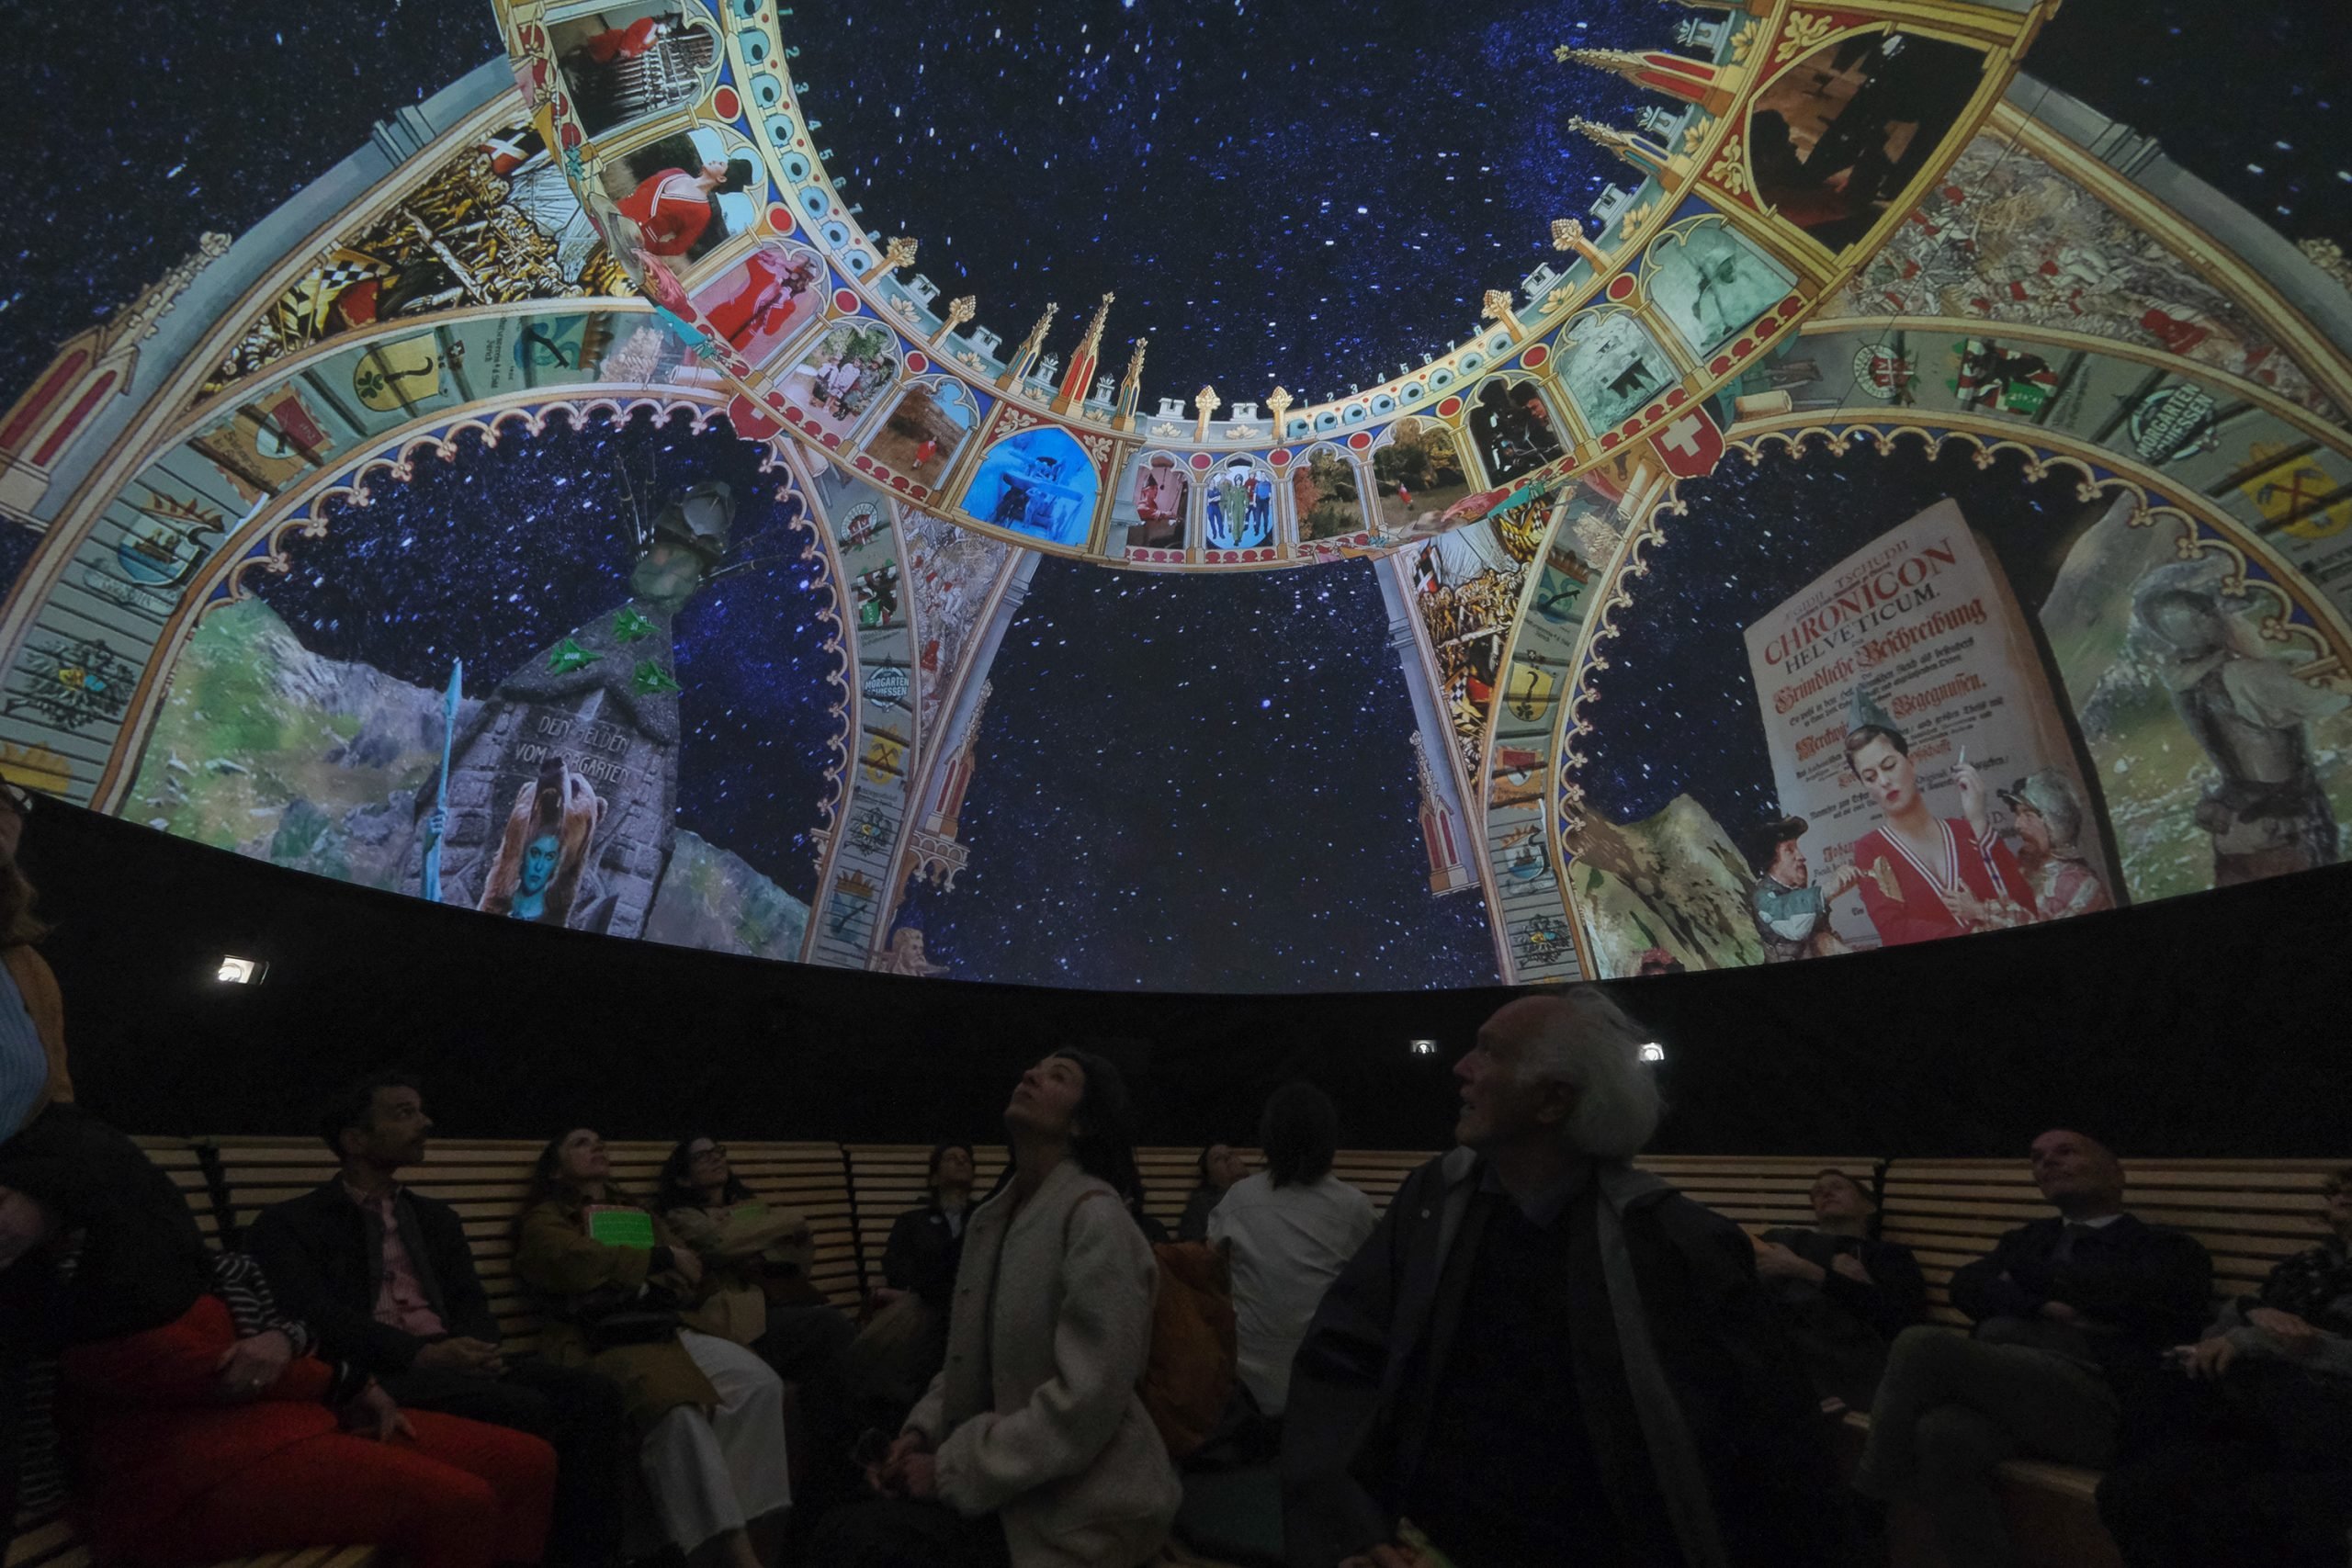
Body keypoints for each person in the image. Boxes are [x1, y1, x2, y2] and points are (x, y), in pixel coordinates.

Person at [1282, 990, 1840, 1568]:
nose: (1460, 1067)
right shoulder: (1430, 1205)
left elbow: (1776, 1459)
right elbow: (1342, 1359)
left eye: (1488, 1053)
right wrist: (1353, 1527)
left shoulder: (1676, 1247)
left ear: (1553, 1101)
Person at [0, 1129, 553, 1568]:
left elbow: (294, 1328)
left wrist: (298, 1351)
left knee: (528, 1459)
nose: (426, 1123)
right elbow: (199, 1369)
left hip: (292, 1420)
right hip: (191, 1467)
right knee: (460, 1500)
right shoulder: (68, 1287)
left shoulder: (185, 1265)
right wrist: (350, 1378)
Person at [245, 1073, 628, 1568]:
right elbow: (314, 1315)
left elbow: (468, 1298)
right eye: (403, 1113)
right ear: (355, 1140)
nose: (425, 1123)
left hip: (450, 1358)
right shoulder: (291, 1223)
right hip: (379, 1372)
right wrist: (419, 1353)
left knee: (596, 1395)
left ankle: (586, 1558)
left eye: (421, 1111)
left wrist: (478, 1348)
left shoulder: (434, 1218)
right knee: (525, 1408)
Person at [816, 1052, 1181, 1568]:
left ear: (1083, 1122)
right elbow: (968, 1362)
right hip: (1011, 1486)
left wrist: (948, 1470)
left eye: (1059, 1077)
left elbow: (1087, 1401)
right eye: (1035, 1068)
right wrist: (920, 1432)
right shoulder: (999, 1219)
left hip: (1081, 1511)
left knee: (858, 1542)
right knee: (839, 1512)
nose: (1031, 1075)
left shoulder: (1096, 1221)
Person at [1853, 1129, 2213, 1568]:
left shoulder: (2164, 1247)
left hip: (2104, 1405)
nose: (2048, 1162)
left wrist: (2022, 1281)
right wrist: (2049, 1305)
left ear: (2117, 1173)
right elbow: (1966, 1286)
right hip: (2021, 1395)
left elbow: (2137, 1299)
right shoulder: (2029, 1239)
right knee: (1942, 1432)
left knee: (1921, 1343)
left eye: (2066, 1152)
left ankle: (1867, 1502)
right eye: (2038, 1157)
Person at [514, 1128, 793, 1568]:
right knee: (678, 1409)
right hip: (596, 1337)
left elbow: (688, 1266)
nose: (597, 1147)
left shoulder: (633, 1210)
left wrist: (640, 1279)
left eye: (601, 1141)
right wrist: (652, 1263)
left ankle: (759, 1532)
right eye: (581, 1144)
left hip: (663, 1322)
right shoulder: (547, 1217)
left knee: (758, 1385)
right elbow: (568, 1260)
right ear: (555, 1168)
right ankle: (729, 1556)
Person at [2095, 1167, 2352, 1567]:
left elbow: (2267, 1340)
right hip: (2263, 1417)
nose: (2345, 1192)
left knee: (2255, 1506)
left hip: (2326, 1424)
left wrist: (2257, 1339)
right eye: (2341, 1186)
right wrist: (2252, 1312)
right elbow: (2225, 1329)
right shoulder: (2308, 1266)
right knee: (2129, 1492)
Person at [656, 1134, 859, 1506]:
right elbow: (718, 1246)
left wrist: (750, 1236)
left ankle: (830, 1477)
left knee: (826, 1362)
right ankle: (842, 1470)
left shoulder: (752, 1208)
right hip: (737, 1324)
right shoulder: (680, 1217)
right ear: (684, 1179)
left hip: (778, 1305)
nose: (715, 1159)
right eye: (702, 1157)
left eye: (718, 1152)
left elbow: (796, 1257)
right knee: (829, 1329)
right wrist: (778, 1225)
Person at [2132, 565, 2346, 885]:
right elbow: (2337, 687)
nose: (2235, 615)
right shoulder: (2245, 678)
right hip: (2284, 831)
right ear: (2207, 622)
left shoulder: (2183, 682)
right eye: (2221, 611)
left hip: (2241, 831)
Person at [1209, 1084, 1375, 1425]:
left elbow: (1211, 1275)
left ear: (1268, 1138)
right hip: (1322, 1390)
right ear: (1329, 1140)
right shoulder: (1352, 1208)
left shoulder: (1239, 1199)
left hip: (1245, 1391)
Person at [1841, 688, 2036, 948]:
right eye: (1870, 777)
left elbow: (2024, 903)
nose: (1884, 781)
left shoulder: (1967, 831)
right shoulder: (1871, 850)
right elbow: (1896, 933)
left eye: (1889, 765)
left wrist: (1978, 820)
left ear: (1912, 763)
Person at [1753, 1168, 1927, 1412]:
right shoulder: (1793, 1243)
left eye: (1837, 1187)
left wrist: (1809, 1271)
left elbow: (1901, 1319)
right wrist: (1822, 1259)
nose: (1826, 1193)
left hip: (1852, 1360)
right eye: (1818, 1192)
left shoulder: (1888, 1255)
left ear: (1869, 1206)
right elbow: (1759, 1240)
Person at [1999, 770, 2114, 920]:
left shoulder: (2080, 886)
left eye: (2028, 815)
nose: (2018, 824)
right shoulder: (2025, 872)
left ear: (2054, 822)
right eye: (2018, 815)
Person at [1744, 815, 1860, 963]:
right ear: (1771, 860)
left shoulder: (1797, 891)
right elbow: (1793, 923)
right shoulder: (1763, 897)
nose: (1801, 856)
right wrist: (1828, 890)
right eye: (1790, 850)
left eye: (1797, 848)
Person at [619, 157, 752, 259]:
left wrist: (649, 246)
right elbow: (643, 189)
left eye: (721, 164)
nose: (714, 160)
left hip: (631, 242)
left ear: (722, 178)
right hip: (617, 213)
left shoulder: (702, 212)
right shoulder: (677, 172)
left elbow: (679, 246)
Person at [1176, 1143, 1249, 1243]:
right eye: (1218, 1158)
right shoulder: (1200, 1206)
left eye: (1231, 1154)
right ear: (1210, 1178)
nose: (1228, 1158)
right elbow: (1193, 1245)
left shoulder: (1262, 1191)